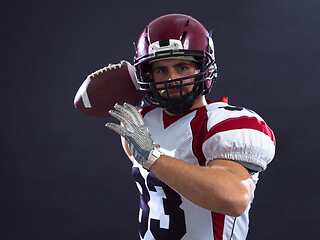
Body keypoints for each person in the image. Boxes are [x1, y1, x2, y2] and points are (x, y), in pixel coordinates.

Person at [106, 13, 276, 240]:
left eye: (182, 67)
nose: (172, 79)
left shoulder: (221, 124)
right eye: (161, 70)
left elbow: (235, 199)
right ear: (147, 75)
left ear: (202, 68)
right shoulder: (141, 123)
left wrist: (153, 157)